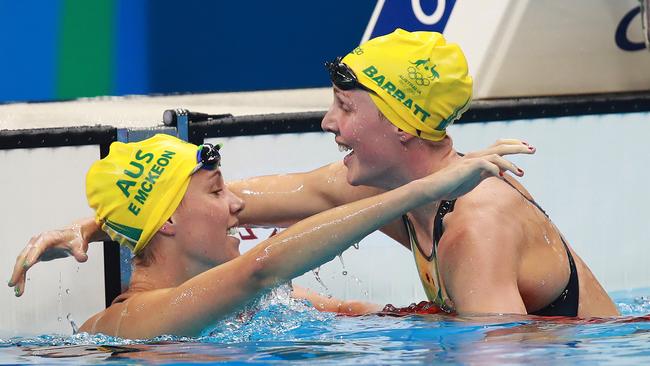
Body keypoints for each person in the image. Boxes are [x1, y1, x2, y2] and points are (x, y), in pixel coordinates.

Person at [10, 29, 618, 318]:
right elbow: (213, 206)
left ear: (403, 124)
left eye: (345, 108)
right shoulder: (389, 188)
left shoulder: (475, 227)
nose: (328, 122)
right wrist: (96, 226)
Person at [13, 133, 524, 338]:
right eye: (216, 192)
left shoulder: (245, 308)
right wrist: (424, 190)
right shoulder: (128, 319)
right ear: (166, 222)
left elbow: (375, 318)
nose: (237, 205)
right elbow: (262, 266)